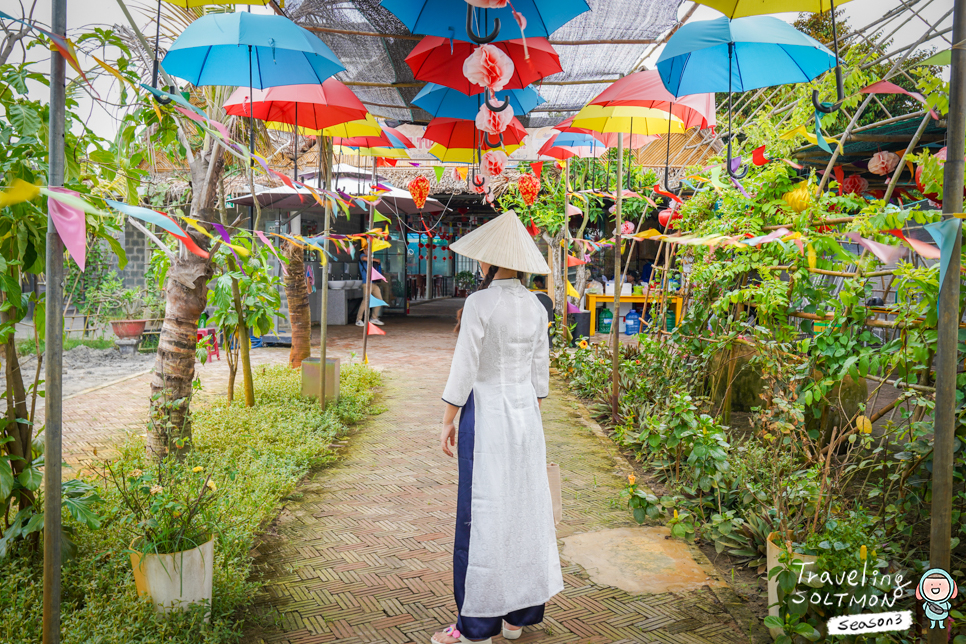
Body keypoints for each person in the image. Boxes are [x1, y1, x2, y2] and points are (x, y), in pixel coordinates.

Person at [434, 211, 563, 644]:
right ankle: (516, 618)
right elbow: (540, 374)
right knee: (524, 510)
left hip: (485, 417)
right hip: (526, 417)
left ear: (489, 261)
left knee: (482, 514)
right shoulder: (536, 305)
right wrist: (527, 410)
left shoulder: (480, 303)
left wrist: (448, 419)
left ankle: (476, 627)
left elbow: (466, 366)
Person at [355, 250, 384, 326]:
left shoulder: (370, 258)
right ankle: (358, 319)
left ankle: (374, 318)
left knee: (379, 300)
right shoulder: (362, 256)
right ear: (364, 250)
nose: (370, 251)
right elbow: (364, 258)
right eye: (367, 249)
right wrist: (375, 259)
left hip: (374, 283)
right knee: (366, 300)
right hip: (367, 283)